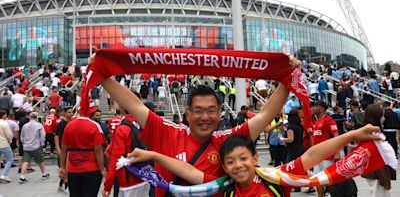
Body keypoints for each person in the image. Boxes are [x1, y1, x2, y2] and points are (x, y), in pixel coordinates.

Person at [95, 52, 300, 196]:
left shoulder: (228, 141)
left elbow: (266, 114)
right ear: (188, 113)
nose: (205, 117)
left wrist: (287, 76)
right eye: (199, 111)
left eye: (211, 111)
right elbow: (134, 105)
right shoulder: (167, 131)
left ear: (220, 114)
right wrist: (102, 74)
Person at [128, 124, 382, 197]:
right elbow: (188, 172)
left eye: (242, 158)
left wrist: (353, 135)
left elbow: (312, 155)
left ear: (253, 158)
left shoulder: (275, 179)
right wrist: (151, 155)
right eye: (230, 162)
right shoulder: (222, 188)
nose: (237, 166)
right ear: (224, 167)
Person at [102, 107, 150, 197]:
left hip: (129, 179)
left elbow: (115, 158)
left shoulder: (122, 128)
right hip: (146, 175)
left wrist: (107, 185)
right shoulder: (145, 123)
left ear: (122, 108)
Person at [58, 116, 107, 197]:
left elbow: (63, 148)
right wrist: (102, 169)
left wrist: (62, 167)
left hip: (73, 168)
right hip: (91, 168)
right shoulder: (94, 125)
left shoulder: (69, 125)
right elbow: (98, 149)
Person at [361, 104, 396, 197]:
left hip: (372, 172)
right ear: (376, 117)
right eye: (382, 115)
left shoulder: (366, 131)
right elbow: (377, 158)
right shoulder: (374, 134)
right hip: (377, 174)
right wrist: (384, 179)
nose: (384, 118)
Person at [311, 101, 339, 197]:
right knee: (317, 179)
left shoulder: (329, 120)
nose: (313, 108)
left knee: (329, 180)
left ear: (322, 108)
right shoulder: (316, 122)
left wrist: (337, 153)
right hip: (317, 157)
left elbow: (336, 137)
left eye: (315, 106)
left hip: (327, 156)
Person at [19, 112, 49, 183]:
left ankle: (22, 176)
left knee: (26, 161)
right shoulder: (39, 125)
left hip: (26, 146)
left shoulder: (25, 126)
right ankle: (44, 174)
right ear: (36, 117)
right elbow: (42, 136)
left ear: (29, 117)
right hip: (36, 146)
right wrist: (42, 144)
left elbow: (22, 136)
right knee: (40, 161)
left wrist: (24, 143)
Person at [54, 106, 74, 192]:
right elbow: (56, 136)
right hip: (63, 149)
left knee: (67, 168)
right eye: (69, 112)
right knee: (65, 168)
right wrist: (58, 148)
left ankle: (61, 185)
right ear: (65, 113)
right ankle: (66, 186)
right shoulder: (62, 123)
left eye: (72, 112)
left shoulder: (72, 122)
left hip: (70, 149)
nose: (71, 114)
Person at [0, 109, 13, 182]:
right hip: (3, 143)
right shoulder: (4, 123)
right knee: (9, 159)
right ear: (3, 115)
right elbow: (9, 134)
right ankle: (4, 175)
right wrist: (10, 141)